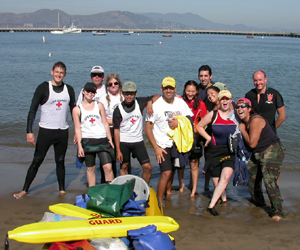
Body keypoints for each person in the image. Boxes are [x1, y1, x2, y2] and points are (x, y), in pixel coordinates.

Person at [13, 61, 76, 199]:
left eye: (62, 72)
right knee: (37, 160)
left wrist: (78, 130)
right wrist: (29, 131)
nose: (59, 74)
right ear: (52, 72)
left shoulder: (69, 90)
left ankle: (62, 190)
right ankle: (24, 190)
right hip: (46, 131)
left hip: (62, 131)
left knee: (60, 161)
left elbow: (74, 111)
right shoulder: (43, 87)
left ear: (65, 74)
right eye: (57, 72)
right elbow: (33, 110)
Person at [145, 77, 193, 205]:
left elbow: (190, 120)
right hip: (162, 145)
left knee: (172, 170)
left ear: (175, 89)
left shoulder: (181, 103)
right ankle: (159, 201)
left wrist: (180, 122)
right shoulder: (155, 106)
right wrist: (156, 148)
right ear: (161, 89)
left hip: (177, 144)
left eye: (171, 88)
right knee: (166, 173)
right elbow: (148, 129)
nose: (168, 90)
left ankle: (168, 195)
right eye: (166, 88)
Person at [236, 97, 285, 221]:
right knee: (251, 176)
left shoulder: (255, 120)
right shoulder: (245, 120)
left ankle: (277, 212)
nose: (240, 109)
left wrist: (242, 130)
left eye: (243, 106)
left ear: (249, 109)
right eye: (238, 107)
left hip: (272, 150)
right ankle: (259, 202)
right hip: (258, 152)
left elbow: (252, 143)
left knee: (269, 181)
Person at [197, 90, 237, 216]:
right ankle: (224, 200)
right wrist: (208, 138)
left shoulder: (236, 115)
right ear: (219, 101)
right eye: (222, 99)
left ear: (231, 100)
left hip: (229, 151)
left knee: (225, 178)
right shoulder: (213, 114)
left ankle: (211, 206)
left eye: (227, 99)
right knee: (218, 184)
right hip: (213, 152)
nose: (225, 101)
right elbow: (199, 126)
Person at [113, 81, 159, 184]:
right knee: (124, 166)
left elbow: (158, 96)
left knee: (147, 167)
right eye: (126, 93)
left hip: (138, 141)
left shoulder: (140, 102)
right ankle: (123, 188)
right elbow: (116, 130)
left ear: (136, 93)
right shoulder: (118, 109)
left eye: (132, 93)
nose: (129, 96)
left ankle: (144, 188)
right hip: (123, 141)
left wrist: (150, 102)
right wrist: (118, 150)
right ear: (122, 93)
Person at [73, 82, 114, 187]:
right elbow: (78, 128)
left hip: (102, 140)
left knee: (108, 167)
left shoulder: (99, 105)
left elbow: (105, 123)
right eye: (88, 91)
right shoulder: (77, 109)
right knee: (90, 168)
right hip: (87, 141)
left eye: (93, 92)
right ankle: (92, 192)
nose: (90, 94)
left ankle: (111, 191)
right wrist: (79, 147)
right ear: (83, 92)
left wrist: (110, 140)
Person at [181, 80, 207, 197]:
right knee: (181, 163)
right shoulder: (180, 101)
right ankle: (182, 185)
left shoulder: (201, 104)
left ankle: (193, 190)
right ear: (184, 91)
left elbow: (205, 121)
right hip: (182, 136)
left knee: (194, 163)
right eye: (188, 91)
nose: (190, 93)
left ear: (197, 92)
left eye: (192, 91)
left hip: (196, 136)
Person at [99, 73, 124, 181]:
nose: (113, 85)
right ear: (107, 86)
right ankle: (107, 182)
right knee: (109, 159)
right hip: (109, 130)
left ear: (119, 84)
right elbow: (101, 118)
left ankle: (124, 181)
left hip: (123, 130)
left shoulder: (123, 96)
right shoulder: (103, 98)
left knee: (124, 158)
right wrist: (115, 122)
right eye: (110, 84)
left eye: (115, 83)